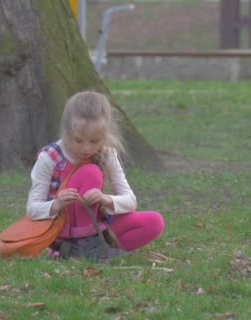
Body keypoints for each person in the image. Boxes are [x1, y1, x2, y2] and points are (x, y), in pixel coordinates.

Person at [27, 90, 164, 259]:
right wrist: (57, 203)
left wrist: (105, 199)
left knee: (154, 222)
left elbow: (130, 201)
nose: (86, 148)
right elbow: (32, 209)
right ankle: (78, 247)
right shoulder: (50, 157)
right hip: (63, 227)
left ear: (105, 135)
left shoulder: (107, 155)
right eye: (78, 140)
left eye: (94, 141)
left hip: (100, 226)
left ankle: (95, 252)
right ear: (66, 131)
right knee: (90, 172)